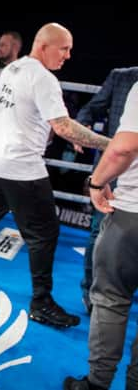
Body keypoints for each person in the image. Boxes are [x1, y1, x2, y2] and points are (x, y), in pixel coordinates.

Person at [0, 23, 110, 328]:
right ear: (44, 46)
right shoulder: (44, 78)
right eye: (64, 48)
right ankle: (41, 302)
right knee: (44, 234)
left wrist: (69, 130)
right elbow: (61, 125)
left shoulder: (13, 69)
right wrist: (111, 145)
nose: (69, 56)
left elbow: (35, 113)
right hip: (23, 169)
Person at [63, 81, 138, 390]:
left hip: (132, 213)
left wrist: (97, 182)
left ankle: (96, 384)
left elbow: (124, 146)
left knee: (110, 299)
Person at [74, 66, 138, 314]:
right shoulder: (122, 76)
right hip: (115, 169)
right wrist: (82, 126)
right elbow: (93, 106)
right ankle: (91, 292)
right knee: (100, 228)